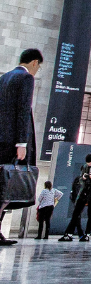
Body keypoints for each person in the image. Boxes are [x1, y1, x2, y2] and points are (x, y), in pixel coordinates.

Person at [0, 48, 42, 247]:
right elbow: (23, 111)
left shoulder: (5, 77)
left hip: (1, 139)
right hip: (12, 142)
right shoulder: (26, 79)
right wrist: (22, 143)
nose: (37, 71)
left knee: (1, 184)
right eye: (38, 67)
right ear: (34, 62)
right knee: (6, 188)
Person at [58, 153, 91, 242]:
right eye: (88, 163)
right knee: (76, 213)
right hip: (84, 191)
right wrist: (83, 178)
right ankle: (69, 234)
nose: (89, 165)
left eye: (90, 163)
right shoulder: (85, 166)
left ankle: (87, 234)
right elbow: (80, 180)